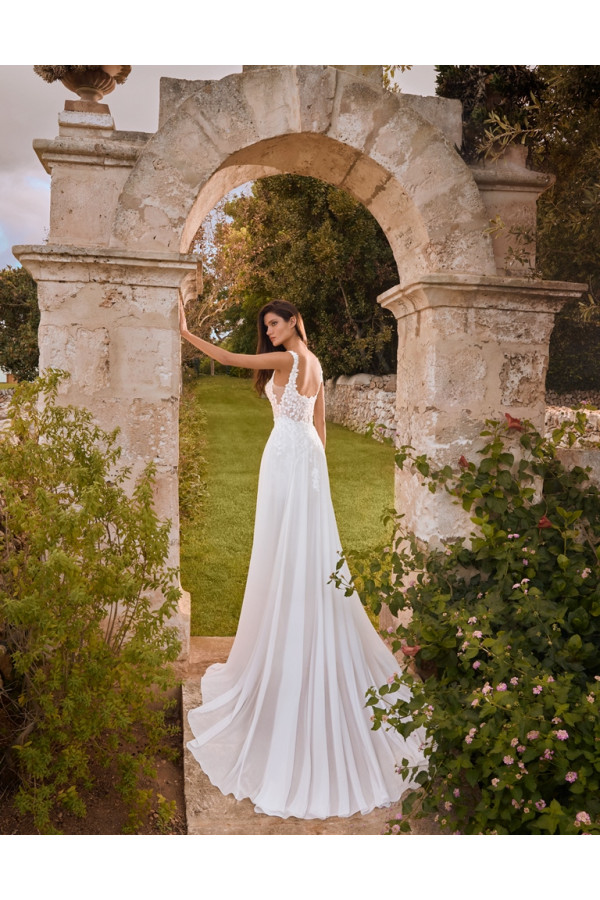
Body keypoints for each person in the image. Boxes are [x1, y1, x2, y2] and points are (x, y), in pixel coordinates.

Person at [179, 296, 427, 820]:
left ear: (294, 321)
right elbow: (320, 431)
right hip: (305, 461)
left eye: (274, 322)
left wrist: (184, 332)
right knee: (304, 553)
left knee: (283, 552)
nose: (268, 331)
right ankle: (299, 632)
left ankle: (288, 648)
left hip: (288, 460)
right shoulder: (316, 364)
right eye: (265, 325)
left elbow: (227, 362)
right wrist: (320, 486)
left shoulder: (291, 360)